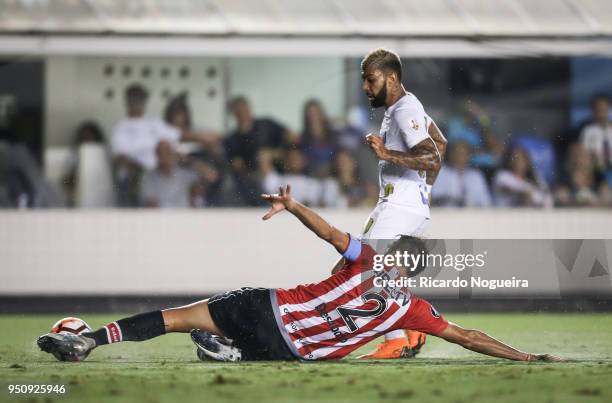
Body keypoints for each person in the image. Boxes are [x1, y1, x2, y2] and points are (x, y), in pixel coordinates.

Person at [36, 185, 561, 364]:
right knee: (249, 341)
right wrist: (524, 355)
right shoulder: (413, 309)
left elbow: (330, 233)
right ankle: (231, 350)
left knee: (175, 317)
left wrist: (293, 205)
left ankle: (90, 342)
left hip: (271, 310)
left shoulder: (369, 259)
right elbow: (468, 337)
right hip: (296, 355)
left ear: (395, 253)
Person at [356, 48, 448, 359]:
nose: (366, 87)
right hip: (404, 204)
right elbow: (441, 142)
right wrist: (427, 188)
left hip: (400, 206)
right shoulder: (406, 106)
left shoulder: (403, 109)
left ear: (392, 78)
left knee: (365, 269)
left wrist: (387, 155)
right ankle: (414, 330)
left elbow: (431, 154)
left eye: (371, 80)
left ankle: (396, 341)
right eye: (364, 81)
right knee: (379, 270)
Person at [111, 84, 181, 206]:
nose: (137, 103)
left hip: (159, 173)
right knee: (139, 178)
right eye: (134, 99)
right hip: (135, 175)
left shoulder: (154, 123)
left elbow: (178, 136)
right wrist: (144, 170)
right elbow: (120, 158)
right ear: (127, 101)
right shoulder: (120, 127)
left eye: (140, 99)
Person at [223, 96, 291, 206]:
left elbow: (290, 136)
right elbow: (237, 166)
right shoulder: (232, 139)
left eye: (244, 109)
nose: (243, 113)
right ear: (234, 114)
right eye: (239, 111)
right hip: (254, 181)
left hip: (280, 173)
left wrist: (273, 154)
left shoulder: (265, 125)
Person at [432, 141, 492, 207]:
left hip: (472, 215)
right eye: (458, 152)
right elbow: (433, 199)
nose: (461, 156)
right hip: (446, 215)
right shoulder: (441, 173)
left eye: (464, 153)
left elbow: (486, 203)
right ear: (452, 154)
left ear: (469, 155)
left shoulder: (476, 176)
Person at [140, 141, 199, 208]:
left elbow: (210, 177)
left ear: (173, 153)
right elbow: (151, 204)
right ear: (156, 155)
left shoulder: (186, 174)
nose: (164, 156)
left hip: (184, 215)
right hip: (161, 216)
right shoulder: (148, 178)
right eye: (161, 153)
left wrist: (189, 160)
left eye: (167, 152)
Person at [579, 94, 612, 185]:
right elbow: (583, 152)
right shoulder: (588, 131)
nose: (601, 113)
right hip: (596, 168)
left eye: (604, 110)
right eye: (598, 110)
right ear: (593, 112)